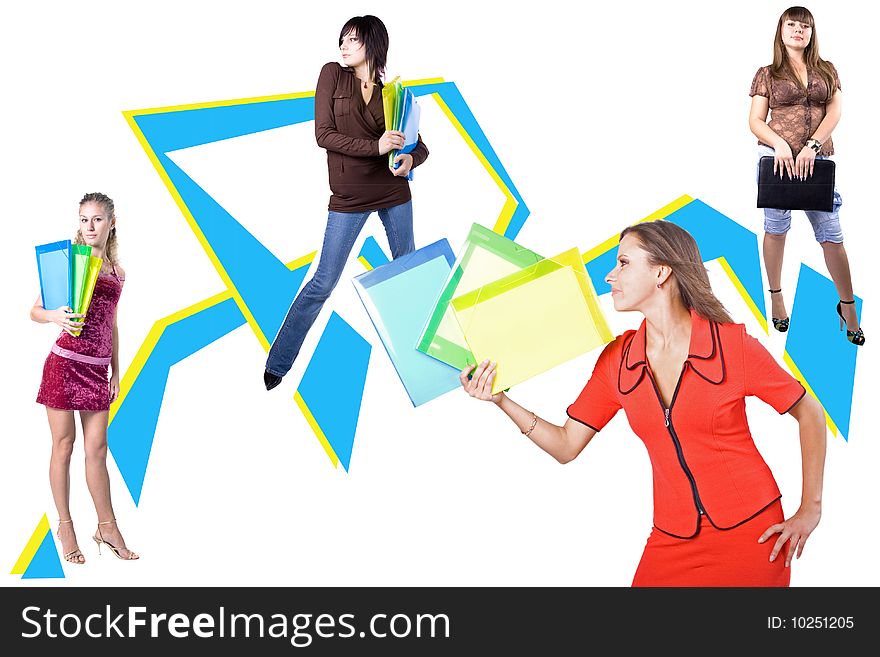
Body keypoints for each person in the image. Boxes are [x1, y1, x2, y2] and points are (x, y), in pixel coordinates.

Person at [461, 221, 827, 586]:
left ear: (661, 272)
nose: (610, 276)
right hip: (671, 536)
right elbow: (566, 444)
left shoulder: (732, 346)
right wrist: (501, 401)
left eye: (623, 263)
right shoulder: (618, 360)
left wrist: (810, 509)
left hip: (752, 534)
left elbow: (808, 410)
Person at [264, 15, 429, 390]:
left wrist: (408, 160)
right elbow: (324, 134)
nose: (344, 45)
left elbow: (419, 145)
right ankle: (280, 362)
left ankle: (427, 360)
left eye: (353, 39)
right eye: (343, 39)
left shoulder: (394, 93)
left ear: (373, 43)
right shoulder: (332, 75)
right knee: (323, 280)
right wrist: (376, 146)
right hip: (349, 196)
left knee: (409, 273)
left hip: (393, 191)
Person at [32, 193, 138, 563]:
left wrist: (116, 370)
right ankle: (65, 526)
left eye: (96, 219)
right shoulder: (71, 263)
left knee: (98, 450)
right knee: (64, 446)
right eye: (83, 219)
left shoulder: (117, 273)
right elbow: (35, 310)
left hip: (96, 371)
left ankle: (106, 526)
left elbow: (111, 324)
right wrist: (54, 316)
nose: (88, 226)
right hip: (63, 365)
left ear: (111, 223)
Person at [749, 6, 864, 345]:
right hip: (778, 161)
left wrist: (812, 145)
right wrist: (780, 144)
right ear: (781, 30)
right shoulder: (767, 73)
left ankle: (847, 305)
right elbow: (755, 120)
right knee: (776, 229)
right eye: (792, 24)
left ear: (811, 33)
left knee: (832, 235)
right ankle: (777, 296)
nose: (798, 30)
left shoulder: (827, 70)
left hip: (817, 161)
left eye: (804, 26)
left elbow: (836, 109)